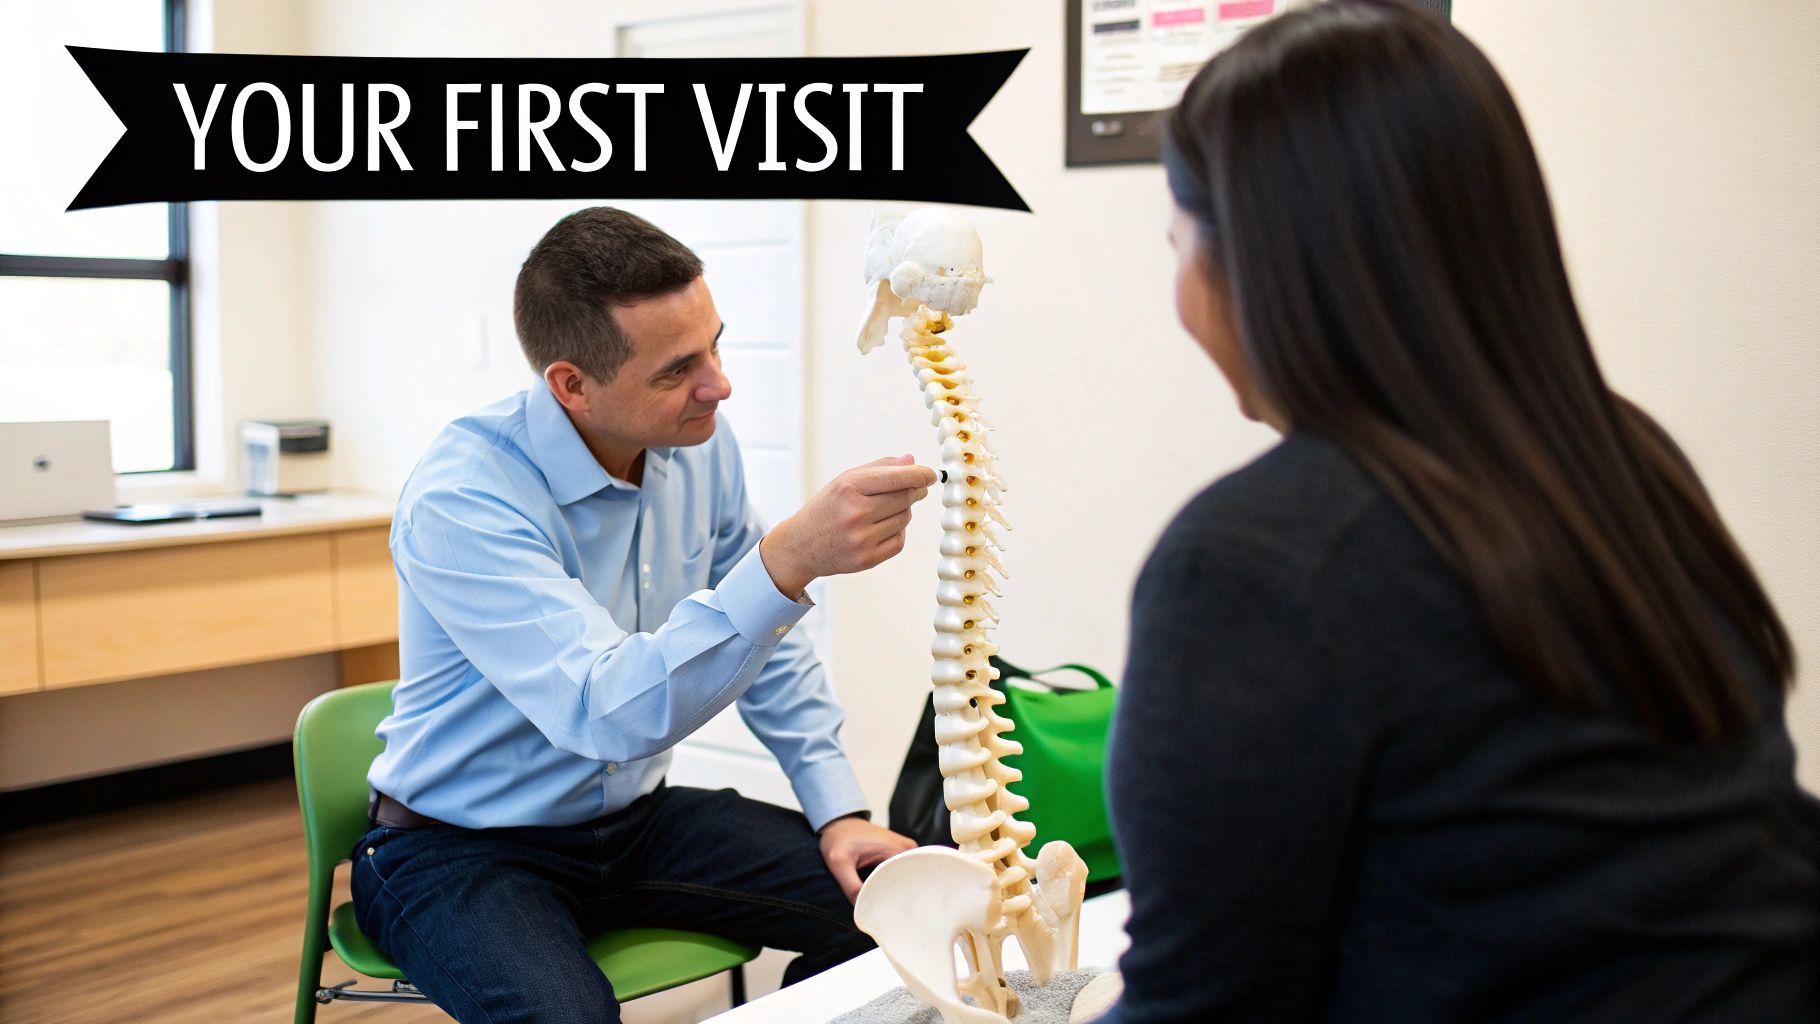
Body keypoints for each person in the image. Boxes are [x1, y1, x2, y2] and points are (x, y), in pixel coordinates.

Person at [1101, 1, 1820, 1020]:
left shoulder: (1255, 558)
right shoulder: (1622, 459)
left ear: (1256, 262)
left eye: (1176, 241)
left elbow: (1203, 1002)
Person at [350, 207, 933, 1024]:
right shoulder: (463, 499)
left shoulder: (702, 447)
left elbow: (764, 645)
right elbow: (604, 712)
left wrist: (838, 810)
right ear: (571, 385)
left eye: (716, 344)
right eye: (676, 370)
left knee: (909, 918)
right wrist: (787, 562)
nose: (719, 384)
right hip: (458, 847)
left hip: (635, 824)